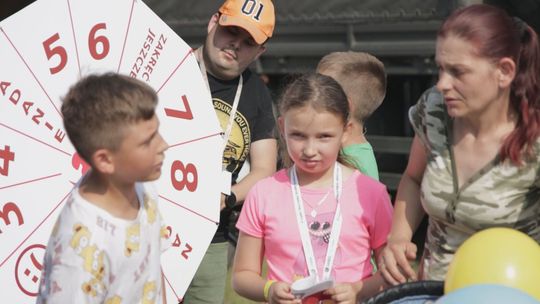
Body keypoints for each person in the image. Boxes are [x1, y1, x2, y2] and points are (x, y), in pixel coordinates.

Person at [378, 4, 540, 284]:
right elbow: (413, 178)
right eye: (440, 68)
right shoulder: (433, 110)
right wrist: (398, 238)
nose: (442, 84)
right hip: (432, 292)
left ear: (504, 71)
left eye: (458, 72)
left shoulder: (533, 139)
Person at [232, 73, 393, 303]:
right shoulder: (263, 193)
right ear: (282, 127)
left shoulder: (370, 193)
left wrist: (358, 289)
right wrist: (270, 290)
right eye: (298, 135)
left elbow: (391, 274)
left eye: (324, 137)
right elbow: (242, 276)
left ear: (345, 131)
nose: (309, 149)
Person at [36, 73, 170, 303]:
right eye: (147, 141)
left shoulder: (142, 188)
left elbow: (153, 272)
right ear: (105, 160)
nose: (164, 145)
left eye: (157, 131)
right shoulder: (81, 251)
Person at [184, 0, 278, 303]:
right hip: (147, 224)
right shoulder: (173, 67)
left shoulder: (257, 93)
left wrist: (230, 197)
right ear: (214, 22)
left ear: (260, 52)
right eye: (231, 31)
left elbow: (265, 169)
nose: (236, 44)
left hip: (210, 238)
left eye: (248, 42)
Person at [316, 51, 387, 180]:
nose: (312, 97)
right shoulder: (350, 154)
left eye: (321, 93)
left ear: (344, 106)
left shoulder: (351, 165)